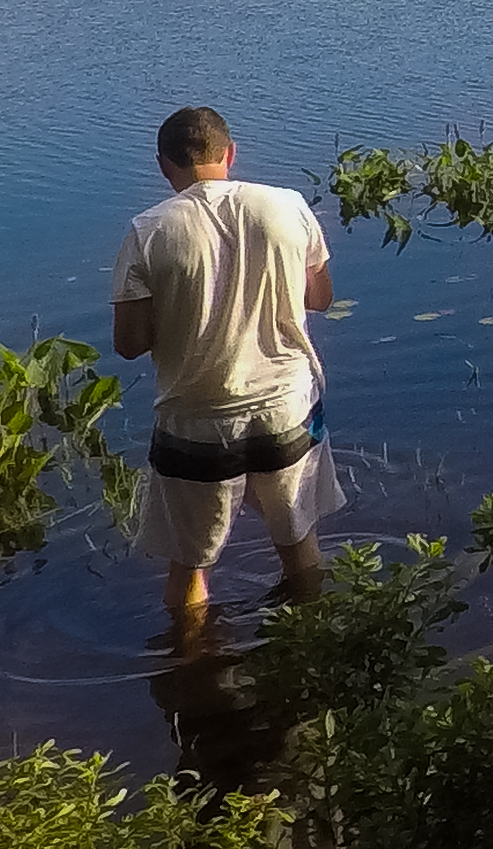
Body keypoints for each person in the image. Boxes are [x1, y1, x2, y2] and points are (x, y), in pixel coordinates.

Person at [110, 105, 345, 624]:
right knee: (299, 543)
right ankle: (314, 648)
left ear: (163, 165)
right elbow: (321, 297)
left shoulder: (148, 230)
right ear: (230, 154)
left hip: (198, 422)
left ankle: (192, 673)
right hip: (287, 408)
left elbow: (128, 344)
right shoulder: (287, 205)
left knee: (190, 569)